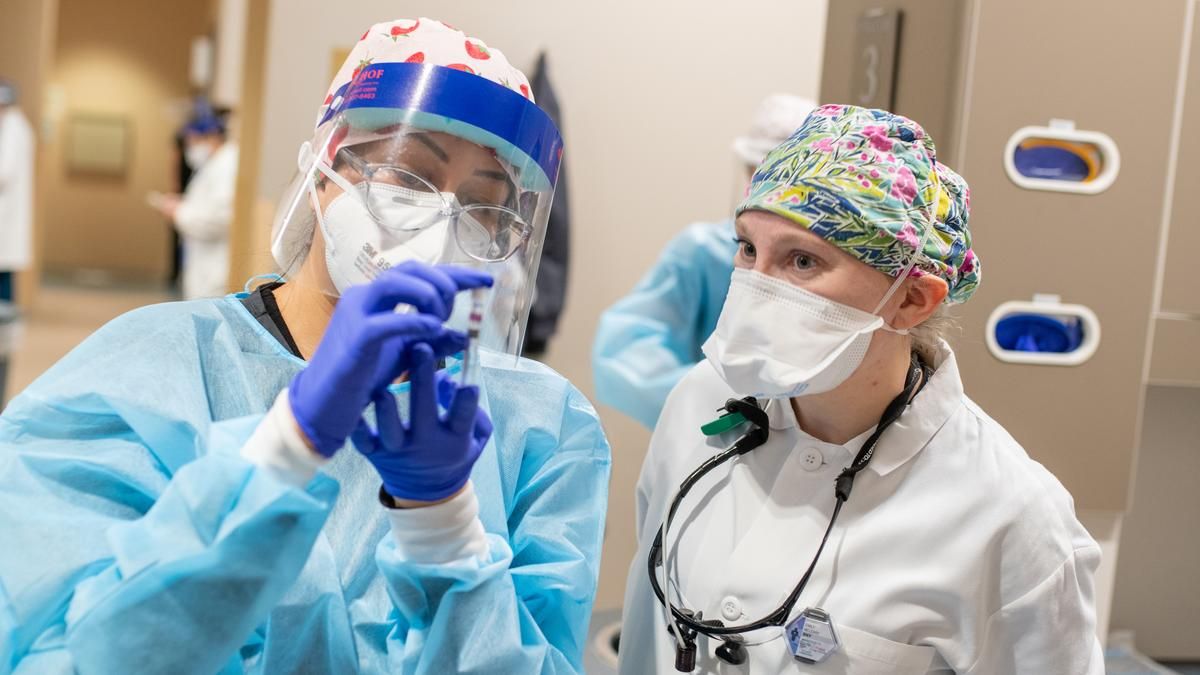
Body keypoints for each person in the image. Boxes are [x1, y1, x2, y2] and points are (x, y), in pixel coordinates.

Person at [0, 19, 610, 674]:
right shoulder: (151, 367)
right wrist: (288, 443)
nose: (441, 222)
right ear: (325, 170)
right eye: (409, 174)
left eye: (483, 206)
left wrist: (444, 526)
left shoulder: (539, 427)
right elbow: (60, 655)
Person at [620, 105, 1103, 674]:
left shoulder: (1013, 516)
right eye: (749, 249)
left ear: (911, 300)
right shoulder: (699, 401)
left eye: (803, 261)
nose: (755, 288)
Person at [592, 94, 816, 429]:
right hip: (716, 440)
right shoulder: (705, 251)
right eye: (764, 175)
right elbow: (624, 356)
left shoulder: (835, 268)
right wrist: (718, 399)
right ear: (747, 172)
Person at [150, 113, 238, 299]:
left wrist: (178, 213)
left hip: (214, 272)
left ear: (212, 135)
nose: (190, 149)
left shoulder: (227, 165)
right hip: (204, 267)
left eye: (193, 141)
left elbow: (218, 219)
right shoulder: (213, 165)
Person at [0, 80, 33, 303]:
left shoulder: (12, 128)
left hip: (6, 213)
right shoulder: (17, 126)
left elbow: (4, 171)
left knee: (3, 273)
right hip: (7, 214)